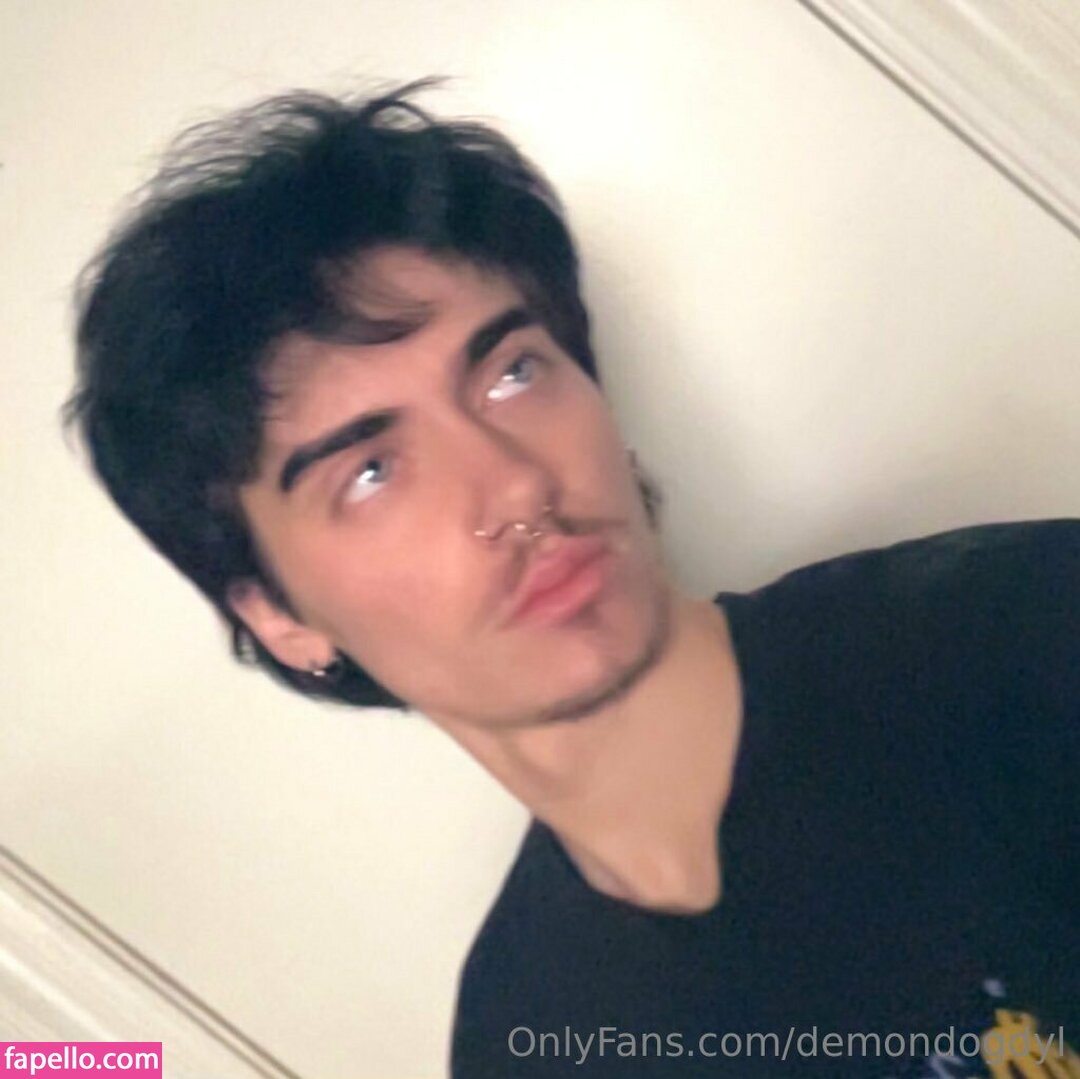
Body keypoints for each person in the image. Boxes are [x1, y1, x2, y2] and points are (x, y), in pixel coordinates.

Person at [68, 83, 1077, 1077]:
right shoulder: (523, 1037)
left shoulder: (1020, 637)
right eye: (371, 471)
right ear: (280, 615)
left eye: (512, 372)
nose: (515, 484)